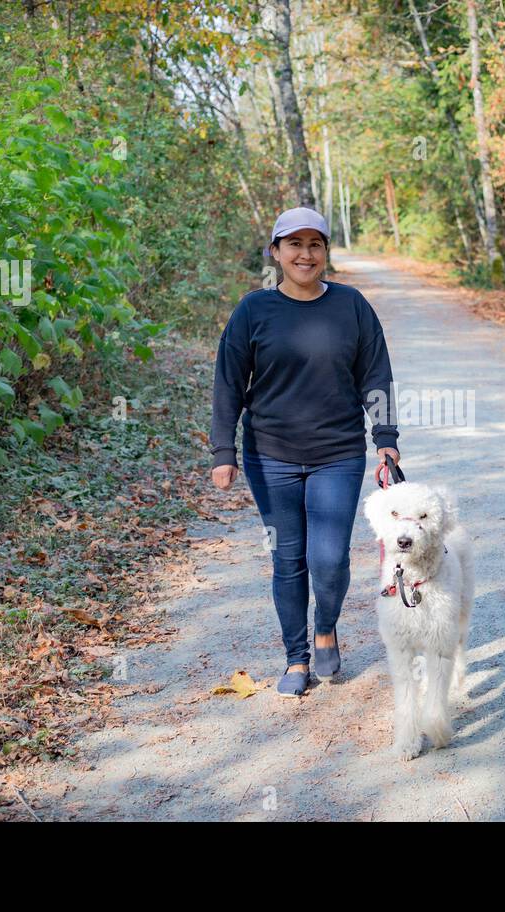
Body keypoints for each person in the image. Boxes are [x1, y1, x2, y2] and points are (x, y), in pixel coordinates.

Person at [209, 207, 401, 698]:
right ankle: (296, 657)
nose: (305, 253)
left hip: (336, 452)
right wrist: (221, 451)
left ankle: (326, 628)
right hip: (269, 456)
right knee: (287, 559)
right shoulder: (253, 310)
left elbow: (375, 374)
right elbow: (229, 383)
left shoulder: (352, 306)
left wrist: (386, 440)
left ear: (325, 253)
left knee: (330, 559)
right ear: (275, 252)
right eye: (293, 244)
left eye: (314, 244)